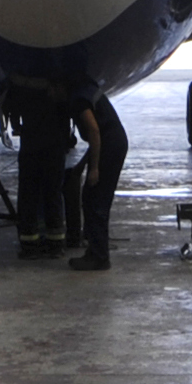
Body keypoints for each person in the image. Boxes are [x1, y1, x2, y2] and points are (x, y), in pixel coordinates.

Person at [67, 95, 128, 271]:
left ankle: (99, 256)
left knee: (96, 200)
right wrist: (82, 164)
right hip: (110, 142)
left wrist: (94, 168)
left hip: (110, 146)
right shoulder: (86, 91)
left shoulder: (79, 99)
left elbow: (95, 132)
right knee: (90, 197)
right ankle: (95, 251)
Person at [13, 95, 69, 258]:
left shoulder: (24, 93)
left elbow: (12, 107)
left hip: (31, 146)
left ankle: (30, 245)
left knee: (28, 196)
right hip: (54, 147)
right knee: (53, 195)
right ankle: (56, 244)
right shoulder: (58, 97)